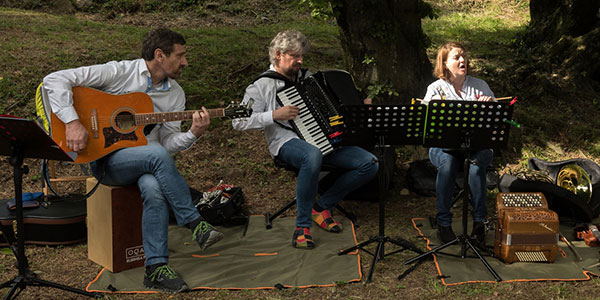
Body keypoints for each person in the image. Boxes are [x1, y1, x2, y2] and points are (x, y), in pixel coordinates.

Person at [43, 28, 223, 293]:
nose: (185, 62)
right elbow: (55, 79)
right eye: (180, 55)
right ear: (160, 55)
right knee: (157, 156)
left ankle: (156, 268)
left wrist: (193, 133)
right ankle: (193, 221)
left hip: (146, 161)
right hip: (106, 160)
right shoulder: (120, 72)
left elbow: (169, 143)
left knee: (153, 186)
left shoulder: (175, 95)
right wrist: (71, 122)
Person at [232, 30, 379, 249]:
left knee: (369, 163)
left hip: (324, 139)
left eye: (302, 56)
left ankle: (321, 207)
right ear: (279, 54)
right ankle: (302, 227)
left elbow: (332, 109)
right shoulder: (261, 86)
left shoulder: (309, 78)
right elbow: (238, 122)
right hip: (285, 142)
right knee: (312, 154)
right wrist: (274, 115)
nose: (300, 61)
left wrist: (358, 108)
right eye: (295, 56)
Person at [423, 42, 494, 245]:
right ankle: (444, 223)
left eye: (463, 56)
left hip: (477, 145)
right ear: (445, 63)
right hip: (444, 147)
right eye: (456, 57)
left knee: (476, 165)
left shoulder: (480, 85)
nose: (462, 60)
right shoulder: (435, 89)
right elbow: (426, 124)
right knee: (447, 164)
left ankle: (479, 223)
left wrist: (489, 108)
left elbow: (497, 121)